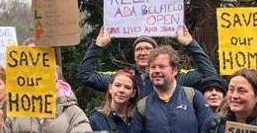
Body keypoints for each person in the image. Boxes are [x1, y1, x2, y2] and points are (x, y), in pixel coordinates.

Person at [79, 26, 219, 98]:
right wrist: (97, 46)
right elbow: (86, 76)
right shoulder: (124, 78)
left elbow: (209, 75)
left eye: (147, 49)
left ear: (156, 54)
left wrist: (190, 43)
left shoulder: (176, 77)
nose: (143, 52)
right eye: (138, 49)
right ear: (134, 56)